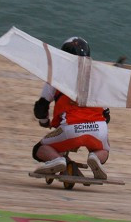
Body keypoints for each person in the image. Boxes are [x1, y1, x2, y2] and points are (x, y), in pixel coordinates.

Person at [31, 37, 111, 179]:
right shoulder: (98, 79)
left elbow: (41, 107)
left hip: (71, 129)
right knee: (104, 150)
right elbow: (107, 114)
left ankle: (57, 160)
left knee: (39, 149)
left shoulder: (56, 77)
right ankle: (96, 157)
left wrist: (44, 121)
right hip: (98, 129)